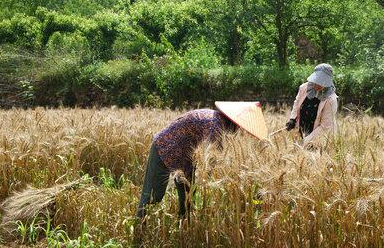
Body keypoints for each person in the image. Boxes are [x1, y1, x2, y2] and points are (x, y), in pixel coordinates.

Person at [136, 102, 268, 220]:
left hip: (185, 160)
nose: (240, 131)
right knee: (153, 196)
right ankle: (138, 230)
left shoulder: (218, 121)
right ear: (234, 122)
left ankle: (184, 232)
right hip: (164, 148)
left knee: (188, 200)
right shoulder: (214, 125)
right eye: (240, 127)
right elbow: (212, 159)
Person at [286, 63, 338, 148]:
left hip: (320, 138)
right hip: (302, 130)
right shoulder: (304, 88)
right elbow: (297, 103)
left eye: (322, 82)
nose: (318, 85)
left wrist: (304, 142)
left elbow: (325, 127)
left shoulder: (331, 100)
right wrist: (292, 118)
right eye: (317, 81)